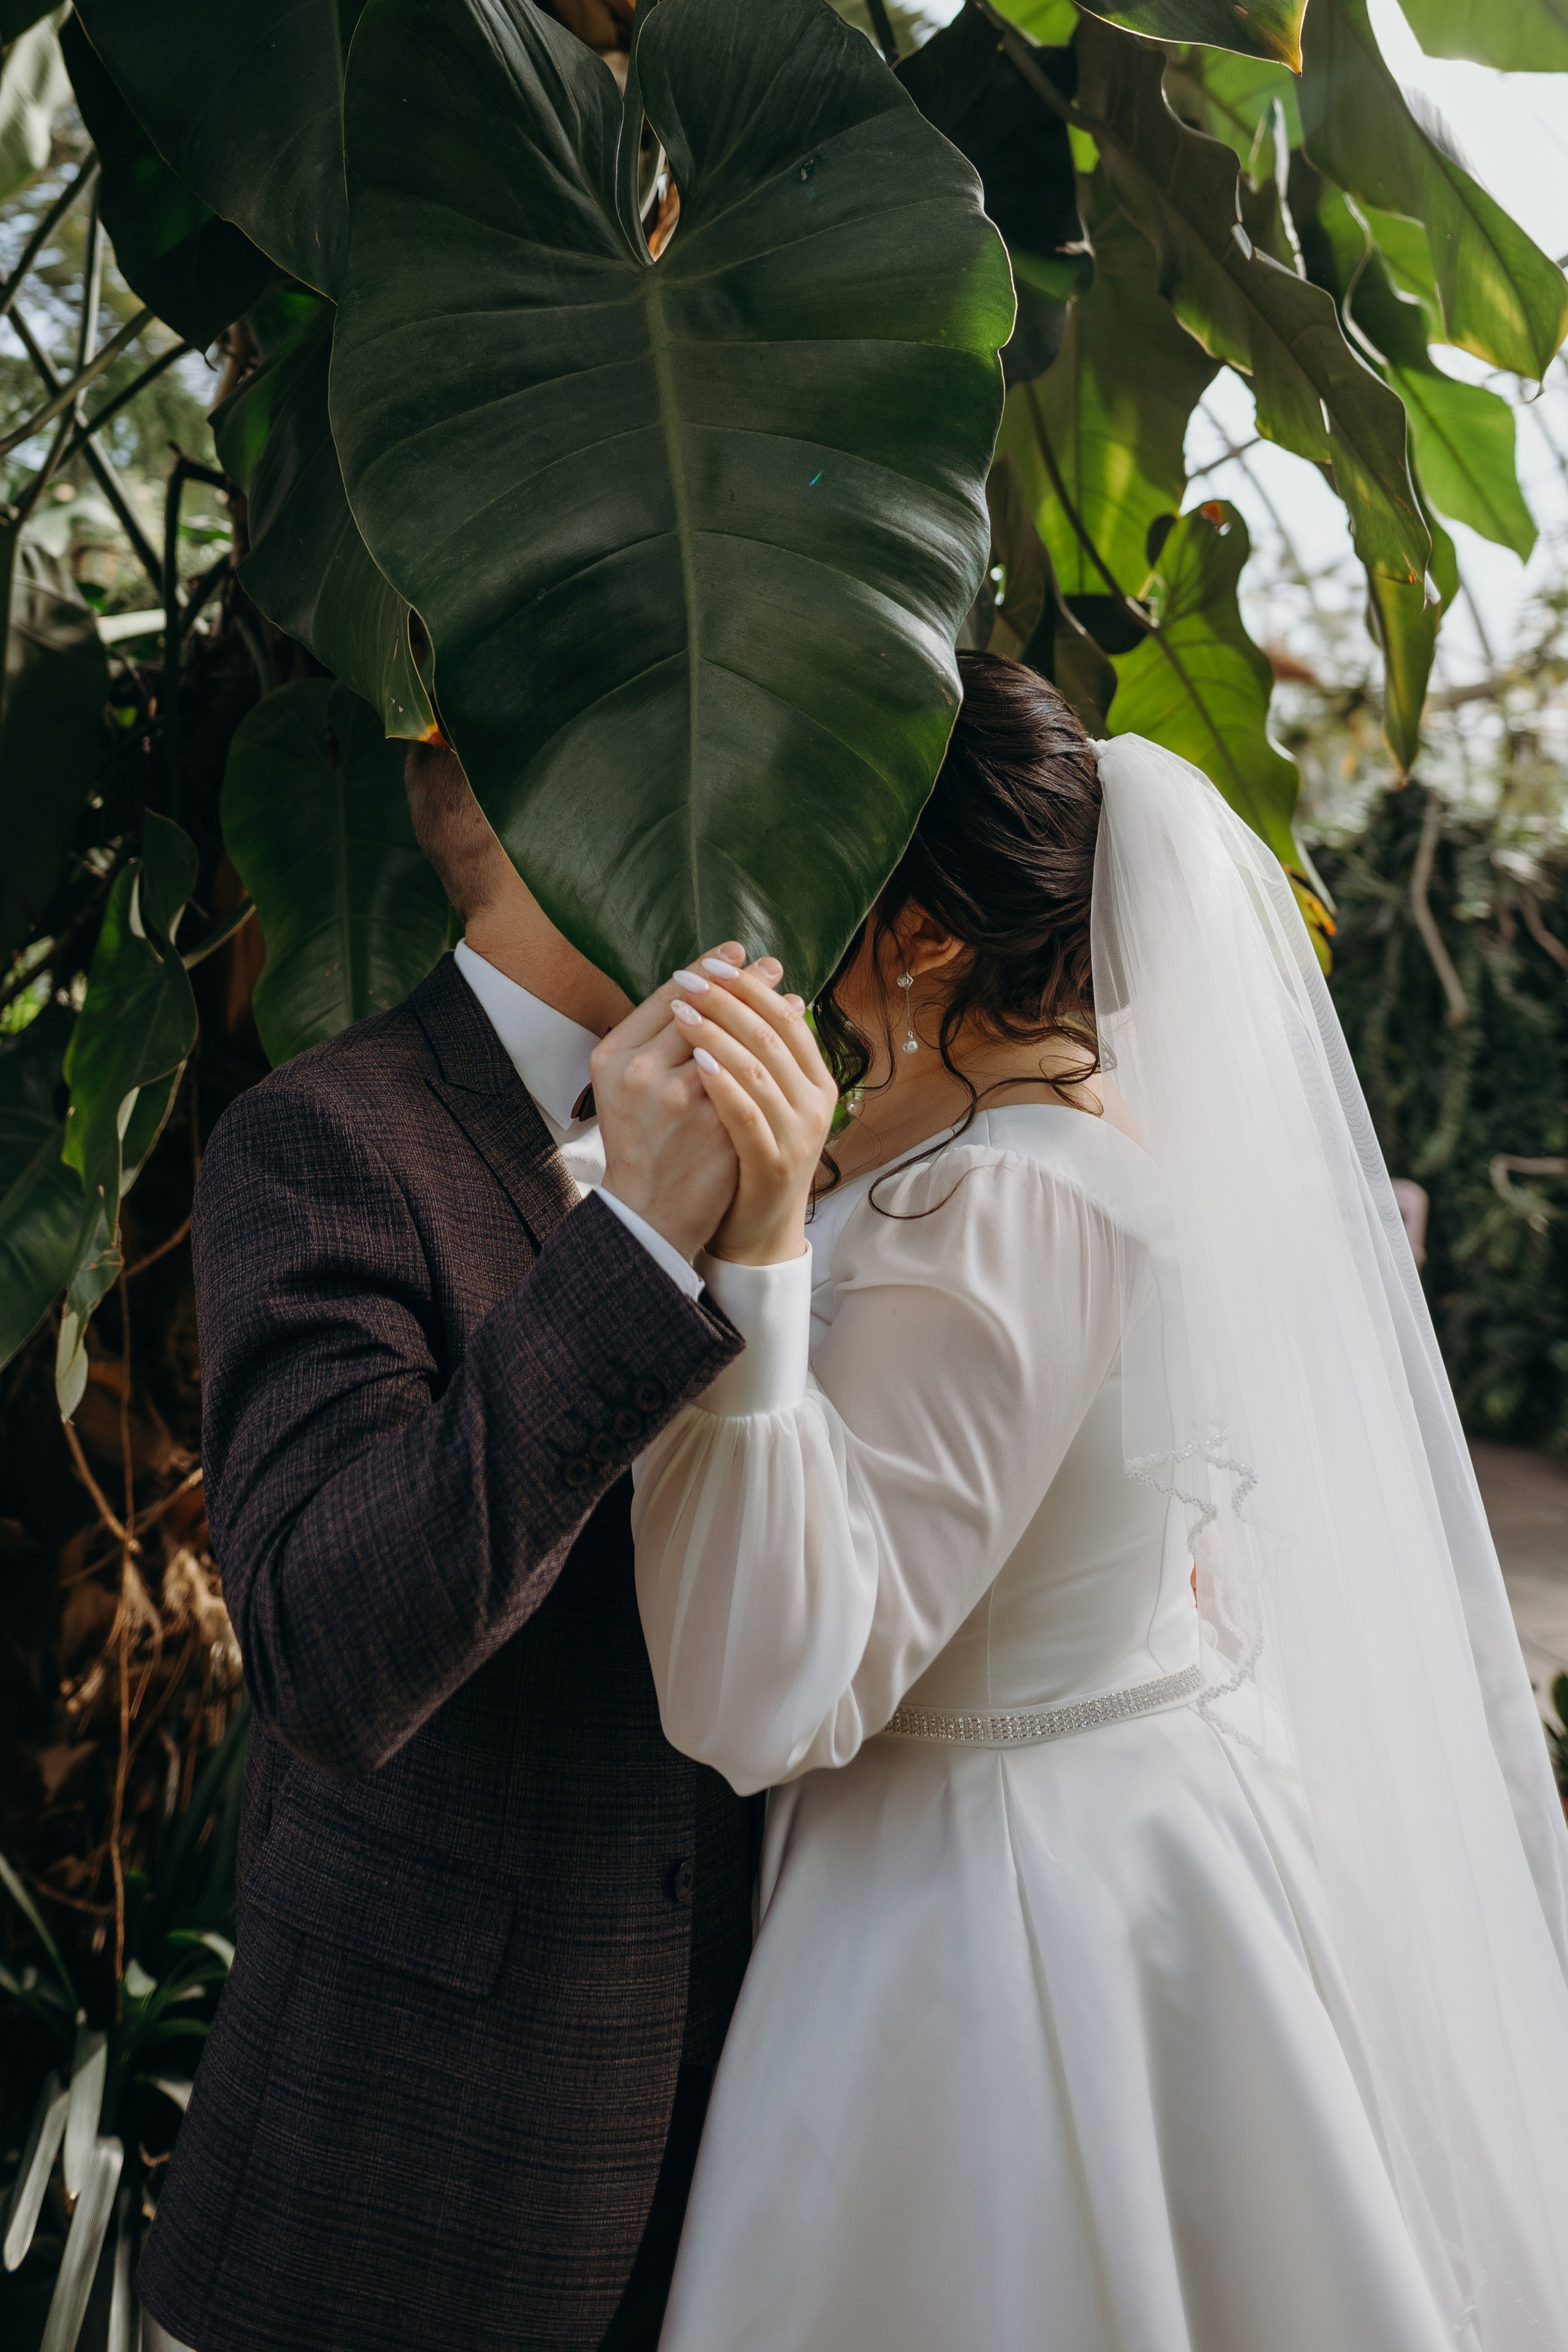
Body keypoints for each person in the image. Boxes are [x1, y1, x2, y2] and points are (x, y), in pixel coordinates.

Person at [628, 656, 1568, 2351]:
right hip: (1090, 1821)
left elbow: (778, 1682)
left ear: (924, 936)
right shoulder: (995, 1142)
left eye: (830, 849)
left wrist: (760, 1261)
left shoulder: (1002, 1205)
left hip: (988, 1898)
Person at [137, 744, 767, 2352]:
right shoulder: (323, 1139)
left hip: (743, 2173)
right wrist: (629, 1244)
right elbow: (327, 1658)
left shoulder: (790, 1141)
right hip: (411, 2184)